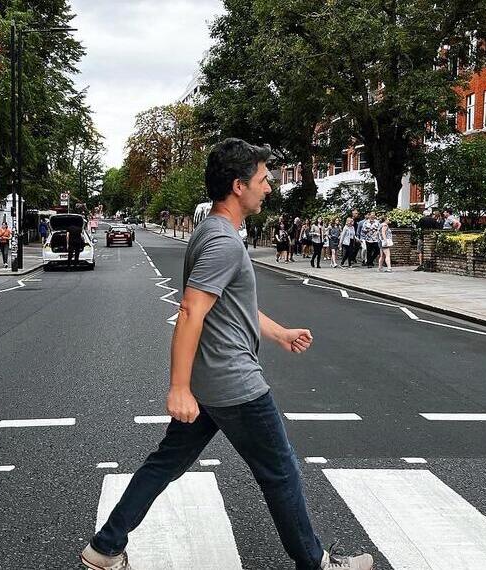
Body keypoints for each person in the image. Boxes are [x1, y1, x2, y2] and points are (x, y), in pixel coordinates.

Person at [80, 138, 373, 570]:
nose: (268, 187)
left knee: (165, 463)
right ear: (239, 186)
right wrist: (178, 388)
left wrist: (278, 333)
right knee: (281, 471)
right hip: (234, 384)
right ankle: (316, 563)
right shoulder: (224, 243)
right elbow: (190, 311)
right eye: (262, 179)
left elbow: (233, 305)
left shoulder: (212, 232)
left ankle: (104, 548)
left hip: (210, 384)